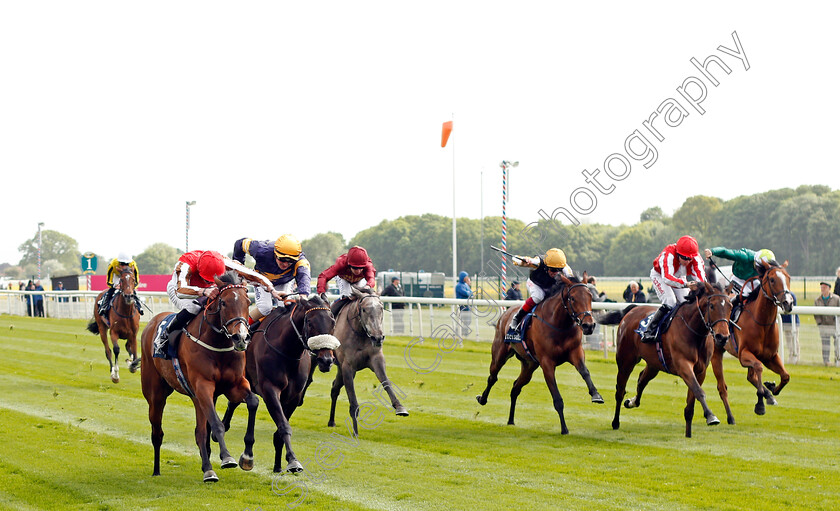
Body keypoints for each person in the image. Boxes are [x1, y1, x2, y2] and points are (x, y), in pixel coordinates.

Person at [154, 249, 280, 359]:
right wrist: (203, 291)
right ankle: (164, 335)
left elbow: (255, 276)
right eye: (206, 279)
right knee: (193, 307)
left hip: (211, 288)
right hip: (183, 289)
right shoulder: (185, 265)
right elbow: (180, 290)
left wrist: (273, 290)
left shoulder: (226, 262)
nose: (208, 282)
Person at [233, 234, 311, 328]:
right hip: (262, 280)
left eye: (290, 261)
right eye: (282, 259)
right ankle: (243, 328)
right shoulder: (260, 249)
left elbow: (304, 278)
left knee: (286, 307)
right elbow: (239, 244)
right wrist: (238, 266)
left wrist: (304, 295)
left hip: (284, 282)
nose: (285, 264)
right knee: (265, 308)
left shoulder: (302, 262)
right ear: (275, 253)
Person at [644, 235, 706, 343]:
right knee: (670, 301)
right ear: (678, 254)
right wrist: (686, 284)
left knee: (686, 303)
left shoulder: (696, 258)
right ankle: (649, 331)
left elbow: (702, 280)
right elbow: (667, 278)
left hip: (679, 277)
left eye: (689, 259)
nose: (687, 261)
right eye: (684, 258)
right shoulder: (668, 254)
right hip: (660, 276)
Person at [507, 248, 574, 336]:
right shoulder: (539, 262)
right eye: (553, 270)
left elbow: (572, 280)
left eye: (558, 270)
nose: (556, 273)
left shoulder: (565, 267)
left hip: (550, 286)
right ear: (546, 266)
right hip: (535, 283)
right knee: (538, 297)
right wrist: (526, 261)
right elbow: (515, 260)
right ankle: (517, 318)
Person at [704, 246, 775, 318]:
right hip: (738, 279)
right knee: (745, 294)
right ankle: (729, 313)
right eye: (760, 268)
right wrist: (712, 251)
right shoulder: (745, 256)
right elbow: (725, 252)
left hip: (754, 280)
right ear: (756, 262)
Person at [317, 246, 376, 317]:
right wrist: (321, 293)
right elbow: (323, 276)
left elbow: (371, 279)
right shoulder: (341, 263)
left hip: (360, 280)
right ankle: (330, 315)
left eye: (361, 268)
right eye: (355, 268)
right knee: (347, 296)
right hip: (343, 279)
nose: (358, 271)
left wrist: (367, 286)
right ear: (349, 264)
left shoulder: (368, 265)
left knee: (363, 297)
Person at [98, 253, 142, 317]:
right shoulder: (112, 264)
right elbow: (108, 281)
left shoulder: (133, 265)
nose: (124, 266)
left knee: (131, 291)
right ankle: (104, 306)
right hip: (117, 275)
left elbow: (136, 281)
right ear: (119, 263)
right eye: (122, 264)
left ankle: (139, 306)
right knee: (111, 290)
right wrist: (114, 286)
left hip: (128, 275)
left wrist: (130, 288)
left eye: (127, 264)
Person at [814, 281, 840, 366]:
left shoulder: (836, 299)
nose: (823, 289)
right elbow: (816, 314)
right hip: (824, 326)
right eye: (822, 287)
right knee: (825, 344)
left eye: (824, 287)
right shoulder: (817, 300)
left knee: (837, 343)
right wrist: (820, 324)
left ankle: (837, 360)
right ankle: (826, 361)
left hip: (835, 326)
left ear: (829, 289)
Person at [780, 290, 800, 364]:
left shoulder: (791, 295)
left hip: (793, 322)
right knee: (789, 342)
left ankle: (796, 358)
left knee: (795, 341)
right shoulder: (780, 295)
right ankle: (792, 358)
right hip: (784, 323)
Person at [455, 271, 474, 336]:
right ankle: (458, 333)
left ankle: (465, 333)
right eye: (466, 277)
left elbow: (471, 293)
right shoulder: (459, 286)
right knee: (460, 321)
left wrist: (469, 293)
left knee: (468, 321)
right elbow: (466, 293)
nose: (467, 278)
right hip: (461, 307)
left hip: (467, 307)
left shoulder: (465, 285)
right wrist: (469, 293)